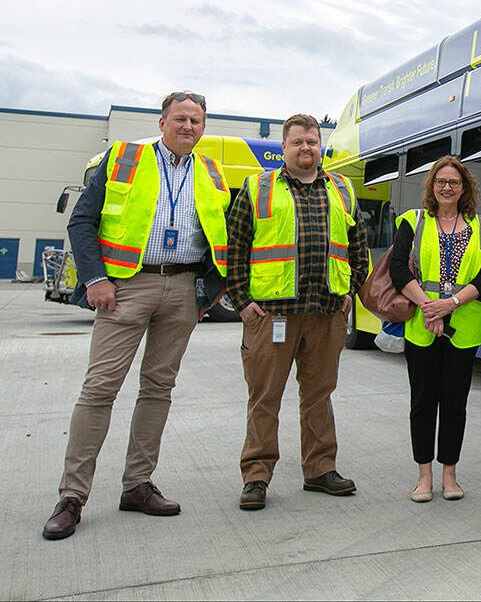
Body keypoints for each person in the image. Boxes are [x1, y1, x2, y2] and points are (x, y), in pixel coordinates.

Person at [43, 92, 231, 541]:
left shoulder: (210, 170)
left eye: (197, 121)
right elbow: (82, 222)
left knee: (159, 389)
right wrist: (94, 279)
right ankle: (72, 496)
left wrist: (210, 290)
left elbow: (222, 234)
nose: (189, 126)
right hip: (127, 286)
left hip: (184, 287)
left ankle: (137, 485)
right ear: (163, 121)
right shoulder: (124, 157)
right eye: (181, 118)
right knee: (100, 388)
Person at [225, 114, 369, 511]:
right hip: (271, 315)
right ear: (283, 148)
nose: (306, 148)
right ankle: (256, 476)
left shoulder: (341, 189)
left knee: (319, 396)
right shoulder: (258, 188)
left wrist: (349, 293)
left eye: (312, 142)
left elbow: (358, 245)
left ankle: (320, 470)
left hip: (325, 313)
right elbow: (233, 247)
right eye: (298, 142)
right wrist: (242, 302)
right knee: (264, 398)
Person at [389, 156, 481, 502]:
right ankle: (424, 477)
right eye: (440, 182)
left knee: (454, 403)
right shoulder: (413, 221)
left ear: (464, 188)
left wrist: (449, 305)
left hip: (461, 328)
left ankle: (450, 475)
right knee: (422, 401)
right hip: (422, 326)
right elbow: (398, 271)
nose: (447, 188)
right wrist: (428, 306)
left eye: (453, 182)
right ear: (431, 187)